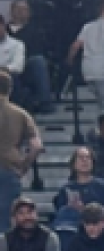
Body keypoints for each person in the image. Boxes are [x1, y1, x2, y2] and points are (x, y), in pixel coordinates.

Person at [0, 70, 40, 232]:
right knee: (6, 222)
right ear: (10, 89)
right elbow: (36, 145)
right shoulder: (21, 114)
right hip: (10, 168)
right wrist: (24, 166)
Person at [68, 0, 104, 114]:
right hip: (103, 67)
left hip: (88, 69)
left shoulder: (87, 27)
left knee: (99, 101)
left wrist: (70, 60)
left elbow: (75, 45)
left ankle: (100, 123)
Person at [53, 145, 104, 226]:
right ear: (73, 164)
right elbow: (60, 214)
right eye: (80, 158)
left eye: (88, 157)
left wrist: (84, 210)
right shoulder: (66, 188)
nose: (85, 160)